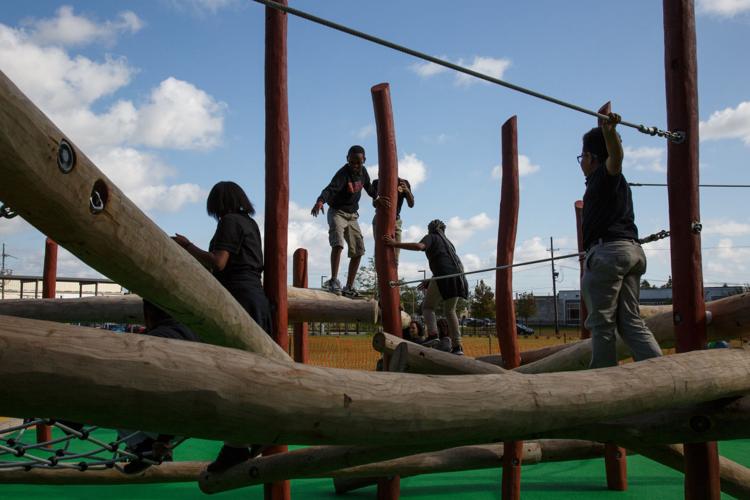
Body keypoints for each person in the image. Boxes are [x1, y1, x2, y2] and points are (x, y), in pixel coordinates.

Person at [173, 181, 272, 473]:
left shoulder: (229, 221)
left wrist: (186, 246)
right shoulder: (250, 223)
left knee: (231, 372)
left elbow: (219, 262)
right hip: (255, 297)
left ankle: (239, 443)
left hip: (238, 299)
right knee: (250, 372)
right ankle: (245, 439)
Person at [578, 112, 663, 368]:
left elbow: (615, 159)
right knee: (630, 321)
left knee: (602, 324)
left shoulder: (605, 176)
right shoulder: (614, 184)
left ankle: (603, 382)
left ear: (591, 158)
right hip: (631, 253)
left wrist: (609, 132)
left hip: (609, 254)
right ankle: (662, 374)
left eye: (582, 157)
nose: (582, 162)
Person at [119, 300, 200, 474]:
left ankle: (142, 446)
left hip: (166, 421)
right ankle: (155, 446)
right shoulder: (197, 334)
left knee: (116, 397)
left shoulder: (150, 341)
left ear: (148, 315)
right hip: (198, 419)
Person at [311, 145, 390, 297]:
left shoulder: (363, 172)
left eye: (358, 163)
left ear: (364, 161)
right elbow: (331, 189)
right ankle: (334, 280)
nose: (355, 166)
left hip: (352, 215)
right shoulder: (343, 173)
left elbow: (369, 188)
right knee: (338, 243)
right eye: (352, 162)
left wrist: (377, 198)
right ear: (347, 159)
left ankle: (349, 286)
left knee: (358, 250)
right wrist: (321, 201)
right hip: (337, 212)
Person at [384, 219, 468, 355]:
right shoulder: (449, 243)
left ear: (431, 229)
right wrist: (431, 279)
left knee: (428, 307)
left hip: (443, 275)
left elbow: (419, 246)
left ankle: (433, 335)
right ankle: (458, 347)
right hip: (459, 278)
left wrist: (395, 244)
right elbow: (448, 263)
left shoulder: (431, 237)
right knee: (450, 311)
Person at [372, 177, 414, 265]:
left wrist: (407, 191)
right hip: (380, 218)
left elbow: (411, 204)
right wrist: (378, 200)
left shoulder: (403, 182)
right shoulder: (376, 182)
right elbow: (374, 204)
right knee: (381, 251)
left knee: (395, 256)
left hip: (396, 221)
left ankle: (393, 277)